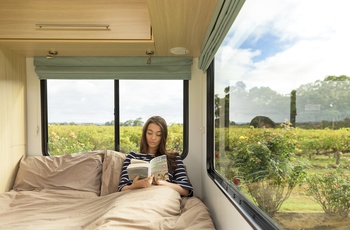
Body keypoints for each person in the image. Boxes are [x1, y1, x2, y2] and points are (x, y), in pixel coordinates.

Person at [118, 116, 193, 197]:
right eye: (149, 133)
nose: (153, 138)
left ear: (163, 137)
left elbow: (186, 191)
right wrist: (135, 185)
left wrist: (162, 183)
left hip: (161, 197)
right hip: (135, 196)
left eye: (158, 134)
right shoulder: (132, 157)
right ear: (145, 134)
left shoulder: (173, 158)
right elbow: (122, 188)